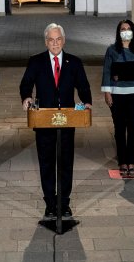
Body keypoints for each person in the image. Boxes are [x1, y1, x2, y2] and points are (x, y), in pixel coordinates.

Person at [20, 22, 92, 218]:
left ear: (64, 40)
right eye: (51, 40)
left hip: (67, 122)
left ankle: (64, 203)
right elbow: (25, 84)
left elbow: (83, 87)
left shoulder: (74, 62)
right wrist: (26, 97)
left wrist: (87, 103)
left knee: (66, 164)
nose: (55, 43)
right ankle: (50, 204)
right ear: (46, 42)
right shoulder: (36, 61)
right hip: (44, 123)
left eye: (58, 39)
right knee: (46, 164)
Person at [102, 19, 134, 177]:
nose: (126, 31)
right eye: (123, 29)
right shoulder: (112, 50)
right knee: (119, 129)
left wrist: (119, 74)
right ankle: (122, 161)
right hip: (117, 95)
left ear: (133, 31)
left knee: (133, 128)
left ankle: (131, 161)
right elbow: (108, 72)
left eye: (128, 28)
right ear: (118, 32)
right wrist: (107, 92)